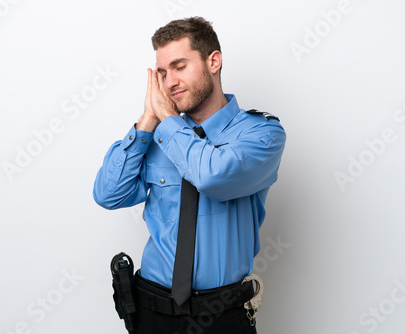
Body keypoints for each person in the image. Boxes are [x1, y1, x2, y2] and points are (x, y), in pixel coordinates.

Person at [93, 16, 286, 334]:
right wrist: (147, 120)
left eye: (180, 66)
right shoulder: (157, 134)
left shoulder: (261, 133)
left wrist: (167, 118)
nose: (169, 83)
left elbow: (211, 177)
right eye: (162, 72)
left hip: (221, 315)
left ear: (214, 61)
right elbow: (108, 194)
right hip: (150, 308)